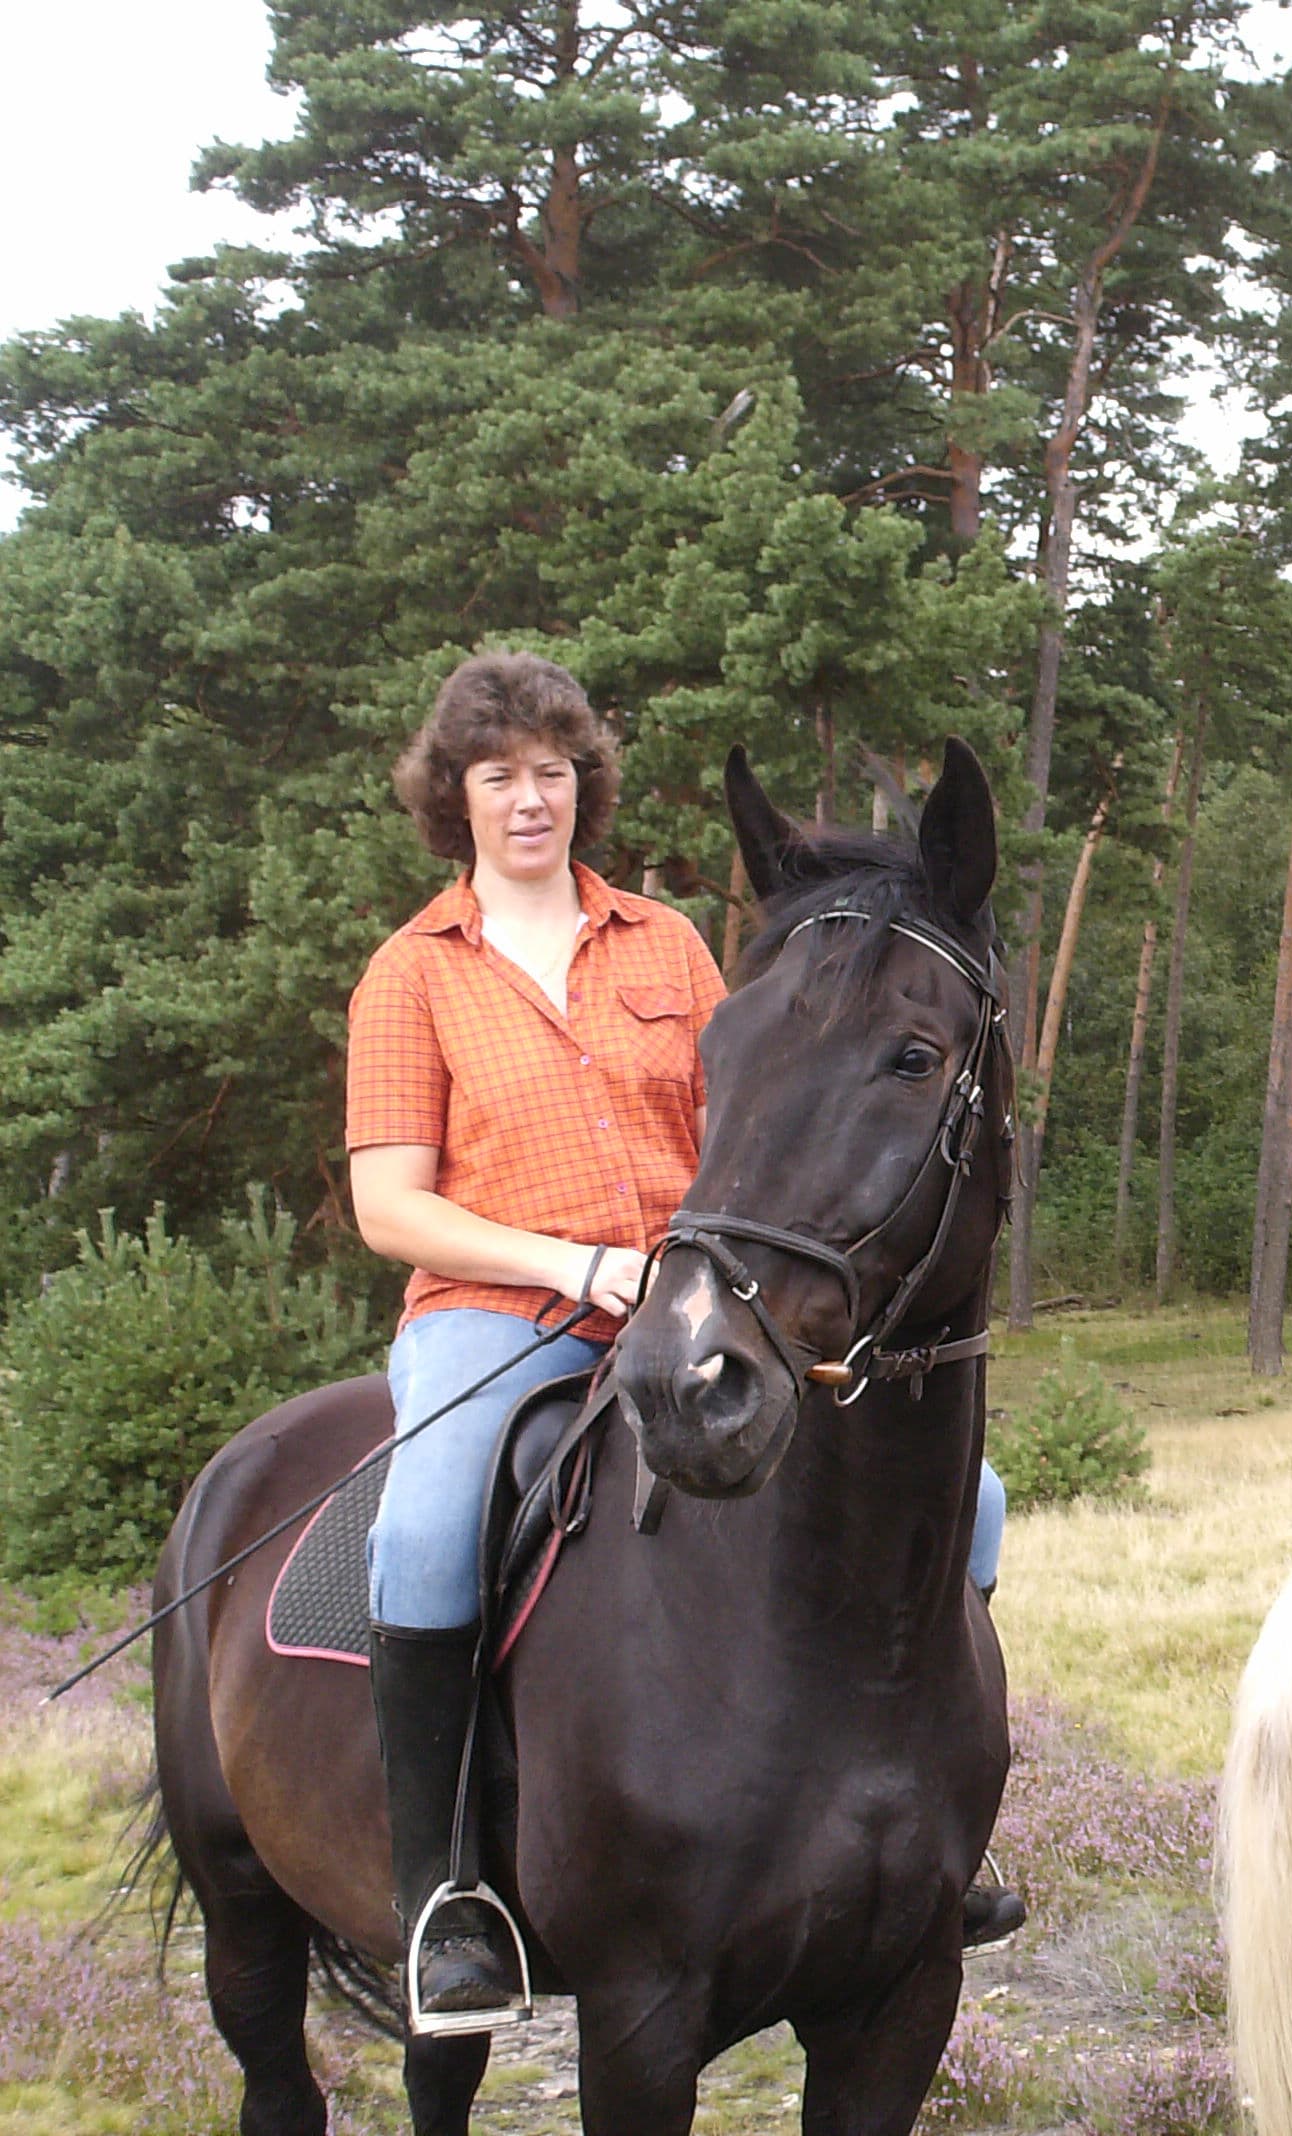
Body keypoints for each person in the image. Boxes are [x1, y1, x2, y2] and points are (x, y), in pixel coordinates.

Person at [346, 651, 725, 2023]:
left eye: (552, 773)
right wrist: (572, 1262)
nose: (529, 800)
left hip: (687, 1306)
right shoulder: (411, 975)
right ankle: (445, 1897)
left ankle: (923, 1835)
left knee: (960, 1497)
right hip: (498, 1318)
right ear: (457, 796)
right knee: (426, 1531)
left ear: (585, 786)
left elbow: (738, 1131)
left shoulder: (670, 944)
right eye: (499, 775)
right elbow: (391, 1207)